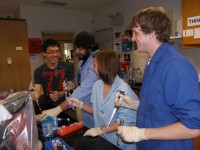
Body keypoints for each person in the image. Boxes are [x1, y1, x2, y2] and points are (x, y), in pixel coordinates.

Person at [116, 7, 200, 150]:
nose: (133, 38)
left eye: (136, 33)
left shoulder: (175, 66)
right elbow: (163, 105)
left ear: (152, 33)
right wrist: (137, 105)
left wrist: (142, 133)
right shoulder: (153, 63)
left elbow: (193, 126)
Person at [68, 49, 138, 150]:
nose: (92, 69)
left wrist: (101, 130)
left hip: (120, 144)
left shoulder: (124, 91)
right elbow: (95, 109)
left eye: (95, 65)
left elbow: (124, 121)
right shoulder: (97, 85)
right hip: (103, 141)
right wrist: (81, 105)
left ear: (105, 67)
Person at [40, 31, 99, 128]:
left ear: (90, 48)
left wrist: (58, 109)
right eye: (76, 48)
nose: (76, 52)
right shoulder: (83, 61)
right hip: (83, 107)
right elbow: (77, 81)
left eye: (80, 49)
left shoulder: (96, 63)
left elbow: (83, 89)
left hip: (94, 107)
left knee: (97, 134)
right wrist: (71, 84)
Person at [33, 39, 74, 114]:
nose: (55, 55)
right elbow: (37, 90)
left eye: (57, 51)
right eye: (51, 52)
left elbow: (71, 86)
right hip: (48, 106)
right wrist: (35, 95)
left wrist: (60, 94)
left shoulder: (67, 66)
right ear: (44, 54)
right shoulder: (38, 71)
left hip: (66, 106)